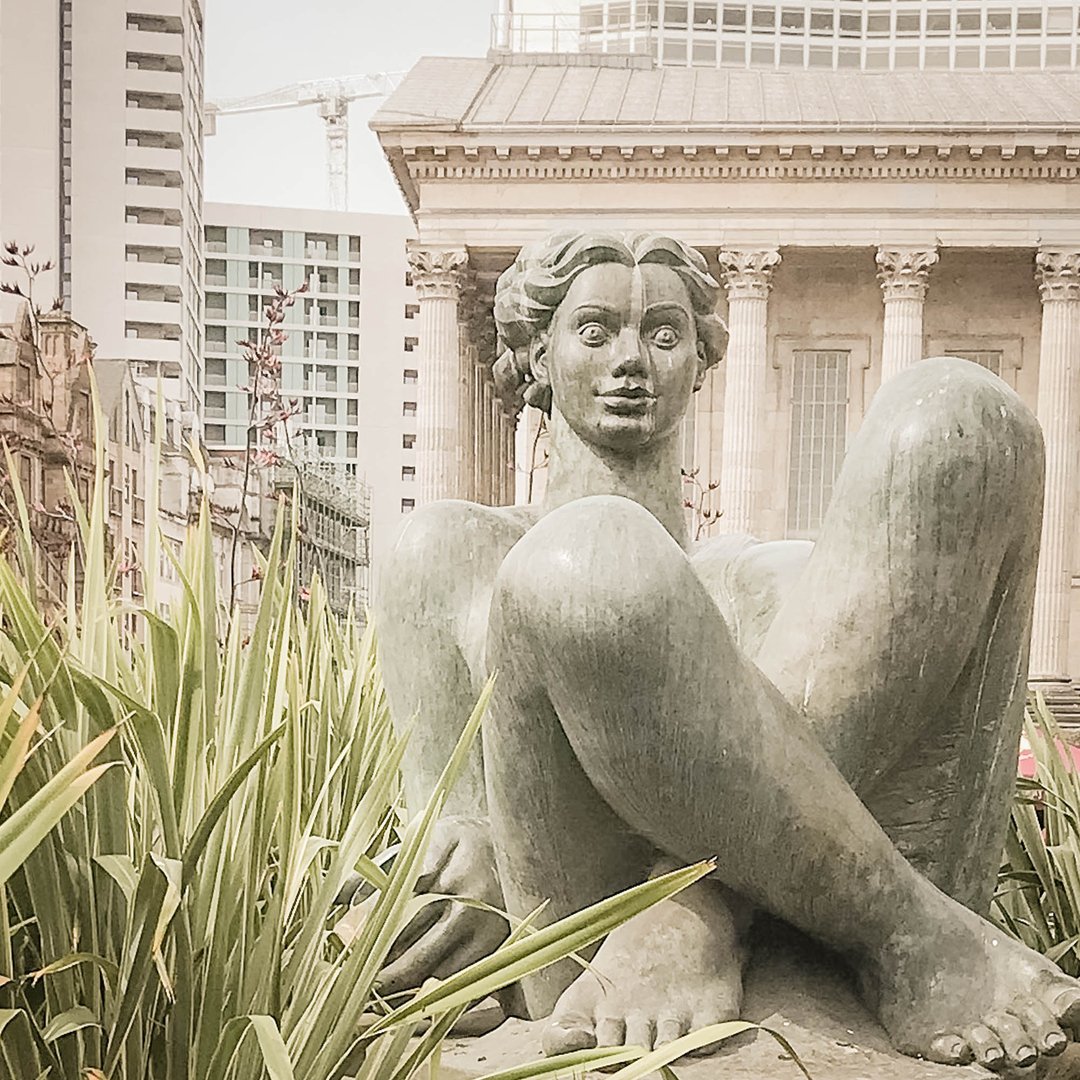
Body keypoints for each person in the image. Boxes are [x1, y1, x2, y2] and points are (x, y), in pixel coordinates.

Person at [371, 230, 1080, 1071]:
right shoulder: (452, 550)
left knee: (967, 415)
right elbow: (449, 824)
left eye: (664, 334)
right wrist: (443, 883)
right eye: (595, 331)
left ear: (701, 363)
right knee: (587, 556)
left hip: (810, 919)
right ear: (534, 353)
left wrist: (690, 909)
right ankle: (905, 929)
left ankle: (701, 913)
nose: (631, 359)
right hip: (579, 932)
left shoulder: (763, 572)